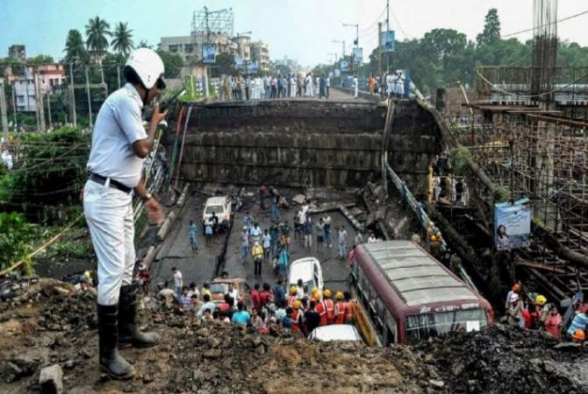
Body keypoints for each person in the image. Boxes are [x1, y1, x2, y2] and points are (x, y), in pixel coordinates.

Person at [83, 48, 166, 379]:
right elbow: (141, 149)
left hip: (118, 195)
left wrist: (145, 196)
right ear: (146, 80)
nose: (157, 92)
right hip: (104, 196)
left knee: (128, 260)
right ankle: (107, 355)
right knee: (113, 268)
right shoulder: (124, 102)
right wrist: (155, 124)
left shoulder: (129, 104)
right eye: (156, 86)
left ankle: (127, 331)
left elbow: (126, 164)